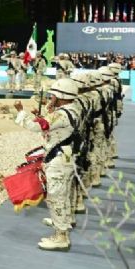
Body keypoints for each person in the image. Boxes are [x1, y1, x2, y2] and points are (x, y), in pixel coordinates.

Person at [13, 78, 80, 251]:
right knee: (63, 195)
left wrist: (21, 112)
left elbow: (37, 127)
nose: (51, 98)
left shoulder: (61, 114)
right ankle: (63, 223)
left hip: (58, 161)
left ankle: (61, 237)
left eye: (53, 95)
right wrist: (41, 116)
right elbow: (53, 128)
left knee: (56, 197)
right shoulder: (72, 109)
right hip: (65, 157)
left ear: (61, 96)